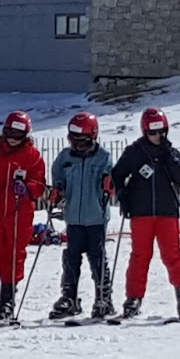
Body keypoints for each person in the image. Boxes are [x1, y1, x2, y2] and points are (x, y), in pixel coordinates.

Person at [111, 107, 180, 319]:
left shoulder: (170, 152)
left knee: (172, 254)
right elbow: (117, 174)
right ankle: (134, 297)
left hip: (167, 212)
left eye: (161, 132)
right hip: (141, 212)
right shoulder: (135, 152)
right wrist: (122, 194)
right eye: (152, 132)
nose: (158, 136)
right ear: (144, 131)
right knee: (140, 256)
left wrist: (169, 157)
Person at [0, 110, 48, 323]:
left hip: (19, 215)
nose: (12, 138)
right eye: (9, 133)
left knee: (13, 256)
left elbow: (39, 184)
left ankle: (7, 301)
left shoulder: (32, 156)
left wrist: (28, 188)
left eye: (17, 134)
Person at [47, 111, 114, 320]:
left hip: (96, 217)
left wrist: (109, 184)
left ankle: (103, 298)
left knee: (97, 257)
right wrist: (58, 190)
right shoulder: (65, 158)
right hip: (73, 217)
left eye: (82, 141)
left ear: (92, 137)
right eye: (73, 141)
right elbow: (58, 175)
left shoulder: (103, 157)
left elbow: (112, 179)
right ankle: (69, 297)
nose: (77, 146)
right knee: (71, 257)